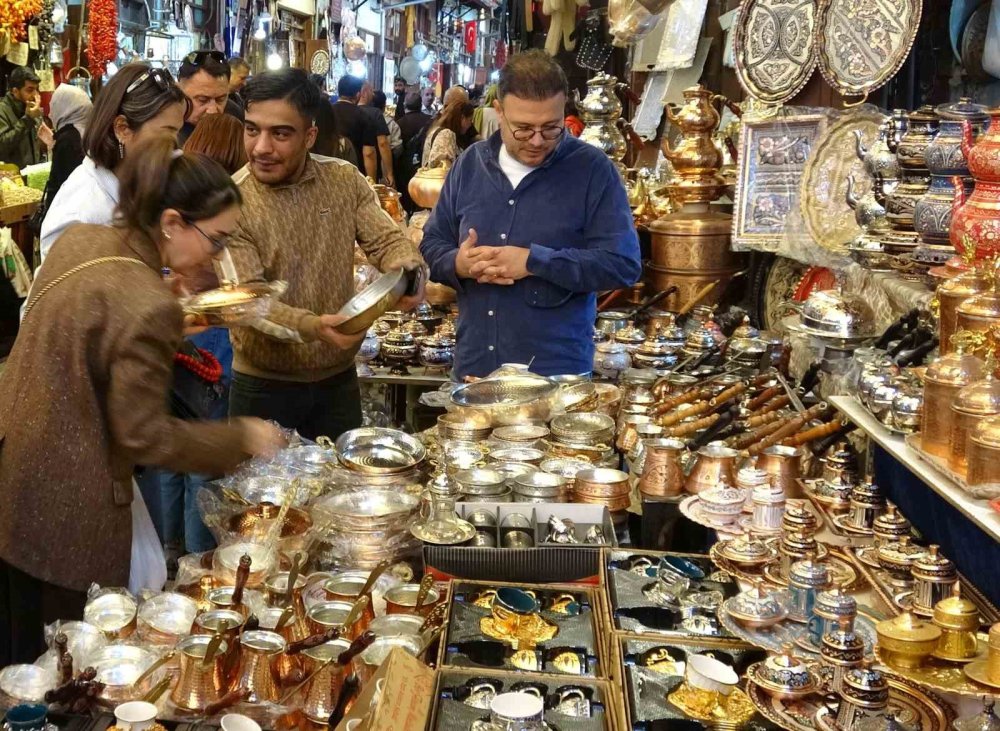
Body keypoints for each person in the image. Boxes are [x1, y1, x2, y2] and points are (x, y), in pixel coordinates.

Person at [0, 136, 284, 664]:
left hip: (17, 472)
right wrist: (242, 436)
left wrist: (163, 301)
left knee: (19, 645)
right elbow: (142, 434)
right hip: (69, 502)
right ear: (172, 222)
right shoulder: (146, 301)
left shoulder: (84, 240)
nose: (218, 255)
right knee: (67, 660)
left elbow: (92, 333)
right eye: (217, 240)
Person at [226, 68, 425, 440]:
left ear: (309, 136)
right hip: (263, 387)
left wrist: (409, 271)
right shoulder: (230, 201)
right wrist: (315, 327)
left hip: (337, 384)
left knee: (341, 477)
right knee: (257, 480)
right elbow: (248, 301)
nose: (261, 147)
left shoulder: (343, 180)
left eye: (280, 133)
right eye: (252, 130)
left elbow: (388, 241)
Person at [420, 50, 641, 380]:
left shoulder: (592, 171)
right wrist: (459, 264)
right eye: (523, 129)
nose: (537, 141)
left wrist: (534, 262)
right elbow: (432, 243)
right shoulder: (470, 165)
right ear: (499, 112)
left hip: (555, 379)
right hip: (475, 371)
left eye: (551, 128)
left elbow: (622, 264)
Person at [133, 112, 247, 559]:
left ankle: (174, 551)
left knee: (173, 460)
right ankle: (198, 561)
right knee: (197, 453)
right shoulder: (126, 278)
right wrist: (242, 439)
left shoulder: (141, 261)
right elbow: (141, 432)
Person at [40, 64, 188, 263]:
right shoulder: (81, 215)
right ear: (122, 128)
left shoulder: (138, 186)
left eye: (177, 132)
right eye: (167, 132)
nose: (175, 146)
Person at [38, 84, 91, 214]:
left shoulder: (68, 139)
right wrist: (54, 143)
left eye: (54, 107)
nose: (50, 114)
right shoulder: (89, 130)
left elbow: (60, 181)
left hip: (69, 212)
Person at [176, 50, 241, 145]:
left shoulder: (235, 116)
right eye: (202, 100)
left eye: (220, 100)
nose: (213, 111)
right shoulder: (161, 129)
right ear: (179, 92)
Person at [332, 74, 379, 179]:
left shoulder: (327, 112)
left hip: (329, 171)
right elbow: (368, 153)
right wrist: (371, 182)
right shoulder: (364, 116)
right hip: (355, 173)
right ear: (358, 94)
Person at [0, 66, 42, 168]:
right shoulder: (2, 110)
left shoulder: (30, 106)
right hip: (10, 175)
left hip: (32, 172)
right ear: (15, 91)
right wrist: (27, 120)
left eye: (36, 89)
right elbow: (2, 146)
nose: (35, 95)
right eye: (30, 90)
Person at [359, 82, 395, 186]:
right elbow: (383, 143)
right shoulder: (375, 113)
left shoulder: (350, 112)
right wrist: (389, 173)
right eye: (371, 91)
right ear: (364, 92)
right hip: (370, 169)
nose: (373, 95)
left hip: (349, 166)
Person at [422, 101, 475, 168]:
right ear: (462, 118)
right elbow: (444, 168)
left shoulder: (438, 130)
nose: (470, 125)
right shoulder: (446, 135)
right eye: (470, 120)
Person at [372, 90, 402, 159]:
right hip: (386, 160)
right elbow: (397, 148)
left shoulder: (362, 119)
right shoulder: (392, 124)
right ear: (385, 104)